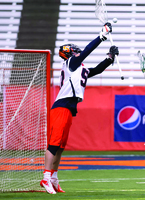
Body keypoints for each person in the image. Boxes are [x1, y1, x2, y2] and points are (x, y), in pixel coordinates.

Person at [40, 22, 119, 194]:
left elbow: (96, 70)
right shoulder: (71, 63)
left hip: (69, 106)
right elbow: (87, 51)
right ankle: (45, 178)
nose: (77, 52)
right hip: (62, 105)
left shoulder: (79, 68)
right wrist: (102, 36)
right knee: (54, 144)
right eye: (74, 50)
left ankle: (53, 178)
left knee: (60, 146)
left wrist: (109, 58)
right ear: (69, 53)